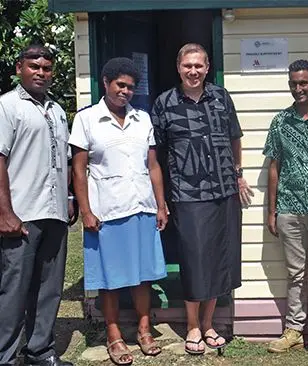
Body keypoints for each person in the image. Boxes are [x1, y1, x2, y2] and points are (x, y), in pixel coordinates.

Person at [151, 43, 253, 355]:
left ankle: (208, 323)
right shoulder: (164, 103)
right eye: (187, 66)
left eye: (198, 65)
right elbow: (155, 155)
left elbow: (235, 138)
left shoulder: (221, 97)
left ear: (207, 67)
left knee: (219, 260)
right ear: (178, 68)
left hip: (224, 191)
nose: (193, 71)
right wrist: (161, 200)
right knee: (195, 261)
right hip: (188, 195)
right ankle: (192, 325)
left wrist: (238, 174)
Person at [70, 57, 168, 365]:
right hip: (107, 211)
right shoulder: (87, 119)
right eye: (120, 85)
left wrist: (161, 204)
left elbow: (152, 165)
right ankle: (114, 335)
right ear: (106, 83)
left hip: (142, 207)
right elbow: (79, 169)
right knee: (110, 279)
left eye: (131, 87)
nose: (125, 92)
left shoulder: (143, 119)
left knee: (142, 276)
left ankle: (143, 330)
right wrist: (85, 210)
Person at [0, 45, 75, 366]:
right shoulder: (7, 106)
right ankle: (5, 355)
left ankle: (39, 350)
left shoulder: (56, 110)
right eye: (34, 66)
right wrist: (4, 212)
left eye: (46, 67)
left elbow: (66, 161)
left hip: (55, 213)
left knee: (49, 289)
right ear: (19, 68)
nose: (41, 72)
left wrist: (69, 199)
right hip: (22, 214)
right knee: (14, 290)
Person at [263, 60, 308, 353]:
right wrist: (271, 211)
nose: (298, 88)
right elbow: (274, 166)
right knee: (296, 272)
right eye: (293, 83)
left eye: (303, 83)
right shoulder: (280, 121)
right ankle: (294, 329)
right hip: (289, 207)